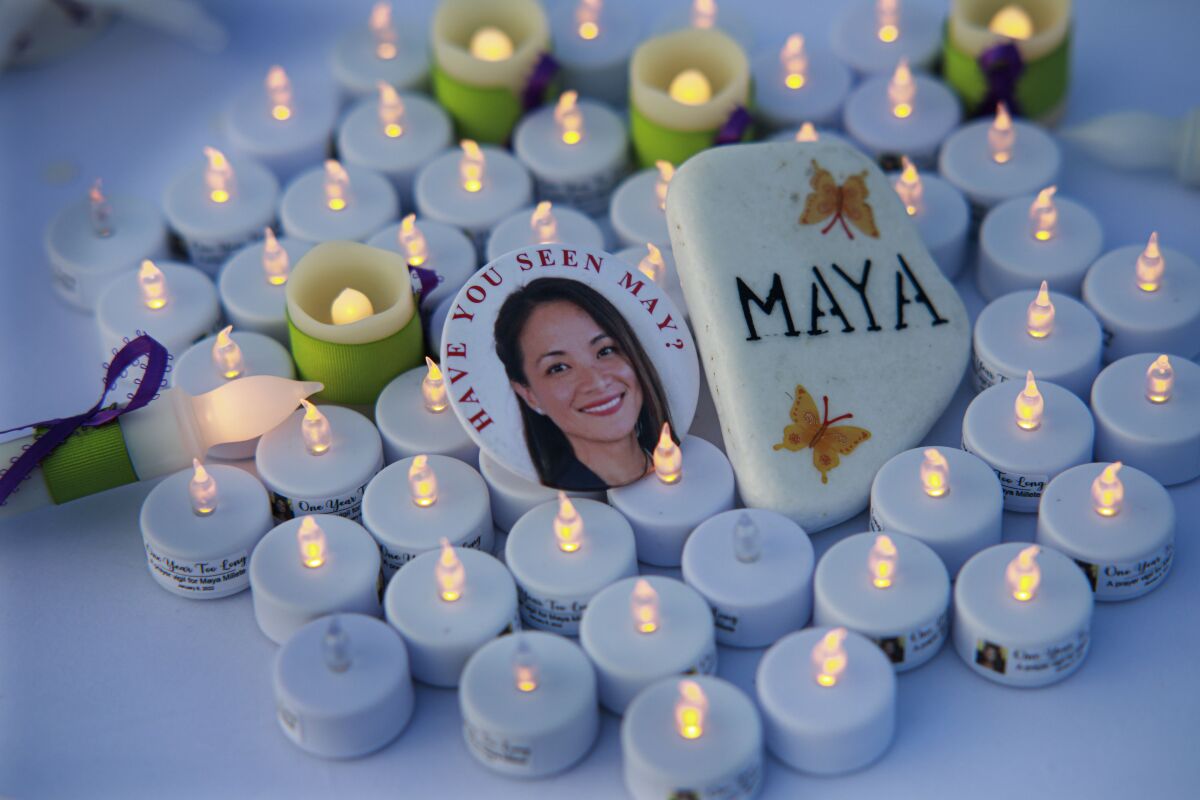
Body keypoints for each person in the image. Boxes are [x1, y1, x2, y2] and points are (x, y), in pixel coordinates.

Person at [494, 277, 675, 490]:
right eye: (559, 368)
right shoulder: (568, 504)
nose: (597, 382)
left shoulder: (679, 460)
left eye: (605, 351)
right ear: (529, 395)